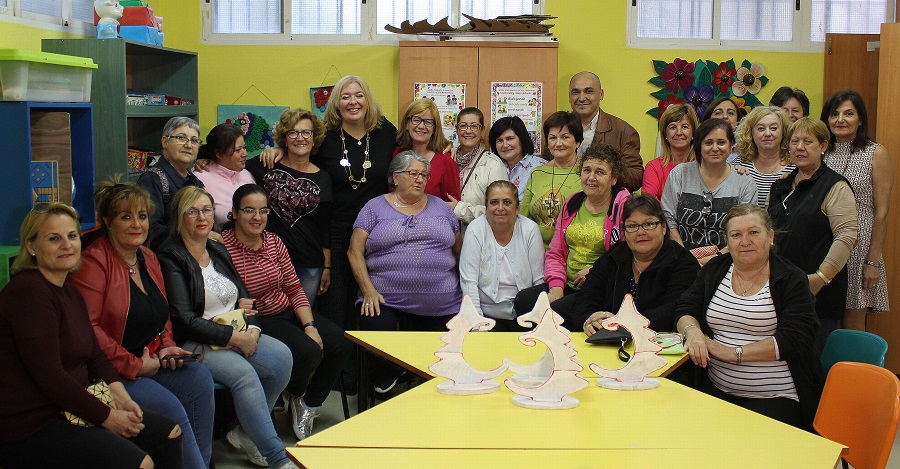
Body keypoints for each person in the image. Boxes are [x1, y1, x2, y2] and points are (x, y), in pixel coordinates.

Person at [0, 203, 183, 469]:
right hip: (34, 424)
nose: (66, 245)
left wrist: (122, 397)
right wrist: (107, 417)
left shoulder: (69, 292)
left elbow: (95, 355)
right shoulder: (28, 293)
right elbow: (51, 377)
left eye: (72, 236)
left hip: (73, 408)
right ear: (31, 247)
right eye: (54, 238)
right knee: (140, 463)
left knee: (168, 433)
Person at [69, 183, 216, 469]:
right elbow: (89, 331)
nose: (137, 224)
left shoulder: (147, 257)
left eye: (142, 216)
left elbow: (161, 315)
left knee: (199, 379)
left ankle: (202, 463)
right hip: (109, 372)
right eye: (126, 217)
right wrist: (135, 365)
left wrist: (166, 345)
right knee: (171, 408)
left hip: (148, 359)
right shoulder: (94, 262)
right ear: (108, 222)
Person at [156, 186, 296, 469]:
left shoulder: (217, 248)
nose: (201, 217)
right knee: (245, 375)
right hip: (194, 340)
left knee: (282, 357)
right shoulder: (171, 256)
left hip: (233, 331)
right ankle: (279, 459)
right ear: (179, 217)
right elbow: (184, 319)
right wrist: (235, 338)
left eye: (206, 210)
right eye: (192, 211)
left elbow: (244, 298)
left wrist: (253, 330)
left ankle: (247, 432)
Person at [675, 204, 823, 430]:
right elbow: (685, 307)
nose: (745, 241)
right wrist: (692, 332)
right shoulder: (715, 269)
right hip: (716, 389)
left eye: (754, 232)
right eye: (736, 235)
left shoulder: (792, 278)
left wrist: (733, 354)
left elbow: (797, 338)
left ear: (770, 236)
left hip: (776, 397)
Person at [222, 184, 352, 440]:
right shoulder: (222, 246)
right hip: (258, 319)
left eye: (263, 210)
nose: (257, 217)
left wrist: (310, 326)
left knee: (340, 342)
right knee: (309, 352)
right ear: (235, 213)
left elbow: (293, 287)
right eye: (249, 210)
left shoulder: (273, 241)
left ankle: (307, 403)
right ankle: (293, 390)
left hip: (285, 309)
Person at [348, 151, 462, 393]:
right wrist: (368, 291)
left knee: (443, 356)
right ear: (395, 177)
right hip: (385, 298)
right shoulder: (374, 207)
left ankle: (417, 376)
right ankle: (394, 369)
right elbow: (354, 252)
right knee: (376, 328)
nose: (420, 179)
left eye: (424, 175)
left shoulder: (441, 208)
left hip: (440, 301)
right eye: (413, 173)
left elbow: (459, 250)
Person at [514, 143, 631, 328]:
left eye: (600, 172)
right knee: (524, 301)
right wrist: (556, 288)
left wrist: (595, 271)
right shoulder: (572, 203)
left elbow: (626, 255)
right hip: (567, 284)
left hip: (601, 287)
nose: (591, 177)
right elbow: (555, 252)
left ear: (614, 178)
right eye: (586, 170)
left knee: (555, 313)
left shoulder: (624, 207)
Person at [768, 118, 858, 353]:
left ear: (823, 146)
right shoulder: (780, 185)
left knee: (810, 368)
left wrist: (820, 279)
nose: (800, 147)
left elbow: (847, 236)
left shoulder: (835, 186)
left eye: (808, 141)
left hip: (818, 297)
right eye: (795, 141)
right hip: (778, 293)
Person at [821, 90, 894, 330]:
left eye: (848, 114)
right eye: (834, 114)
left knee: (852, 320)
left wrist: (872, 262)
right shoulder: (821, 152)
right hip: (824, 244)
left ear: (860, 119)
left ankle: (853, 369)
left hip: (860, 248)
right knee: (824, 319)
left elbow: (881, 212)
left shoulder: (876, 153)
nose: (840, 119)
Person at [246, 108, 333, 306]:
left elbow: (324, 226)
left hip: (308, 263)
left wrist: (327, 266)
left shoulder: (324, 178)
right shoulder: (266, 164)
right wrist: (203, 161)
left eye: (306, 132)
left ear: (314, 138)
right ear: (284, 138)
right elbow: (230, 166)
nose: (299, 138)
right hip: (266, 261)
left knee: (301, 320)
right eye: (293, 132)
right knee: (268, 319)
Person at [578, 195, 700, 334]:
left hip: (660, 343)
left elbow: (672, 311)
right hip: (608, 341)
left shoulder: (683, 262)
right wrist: (590, 321)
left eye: (649, 224)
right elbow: (586, 297)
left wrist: (621, 322)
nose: (640, 232)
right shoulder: (615, 256)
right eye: (632, 226)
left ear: (664, 227)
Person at [662, 118, 757, 264]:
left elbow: (746, 229)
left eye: (721, 142)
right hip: (681, 261)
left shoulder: (744, 181)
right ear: (699, 145)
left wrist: (714, 259)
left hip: (728, 262)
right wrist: (686, 260)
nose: (715, 148)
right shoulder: (679, 174)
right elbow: (669, 220)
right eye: (708, 143)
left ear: (731, 145)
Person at [459, 181, 544, 331]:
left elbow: (539, 281)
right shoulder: (475, 230)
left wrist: (537, 324)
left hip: (525, 314)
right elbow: (469, 282)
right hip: (485, 316)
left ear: (517, 208)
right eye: (494, 202)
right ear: (486, 207)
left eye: (507, 202)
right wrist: (478, 325)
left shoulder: (530, 229)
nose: (500, 208)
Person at [137, 116, 205, 250]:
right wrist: (192, 234)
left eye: (194, 140)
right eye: (181, 138)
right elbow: (150, 229)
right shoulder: (152, 180)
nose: (189, 145)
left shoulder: (195, 180)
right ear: (165, 141)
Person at [568, 71, 643, 191]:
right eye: (576, 92)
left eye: (589, 91)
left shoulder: (624, 132)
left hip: (606, 205)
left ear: (601, 94)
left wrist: (605, 173)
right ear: (569, 97)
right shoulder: (558, 129)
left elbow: (636, 177)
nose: (581, 98)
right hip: (564, 202)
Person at [520, 111, 585, 247]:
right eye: (553, 137)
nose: (558, 143)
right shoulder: (538, 173)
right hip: (536, 251)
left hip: (573, 252)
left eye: (565, 137)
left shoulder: (586, 173)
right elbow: (523, 218)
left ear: (578, 141)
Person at [448, 107, 508, 225]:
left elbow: (500, 210)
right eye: (463, 126)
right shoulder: (448, 159)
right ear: (456, 129)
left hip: (479, 238)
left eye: (474, 126)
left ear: (482, 131)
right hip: (448, 236)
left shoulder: (493, 164)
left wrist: (459, 209)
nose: (468, 131)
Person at [395, 98, 460, 202]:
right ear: (407, 124)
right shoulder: (396, 154)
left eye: (428, 122)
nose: (421, 126)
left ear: (434, 128)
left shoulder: (446, 161)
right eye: (416, 119)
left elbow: (452, 206)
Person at [194, 123, 255, 231]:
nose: (244, 154)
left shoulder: (247, 174)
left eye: (244, 148)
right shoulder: (200, 179)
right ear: (219, 154)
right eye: (238, 150)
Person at [733, 106, 795, 207]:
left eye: (774, 128)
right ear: (750, 133)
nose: (767, 133)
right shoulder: (739, 164)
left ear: (783, 132)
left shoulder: (794, 167)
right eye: (761, 129)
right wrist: (733, 174)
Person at [642, 104, 698, 200]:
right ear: (665, 135)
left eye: (684, 127)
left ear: (693, 132)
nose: (679, 132)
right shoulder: (654, 167)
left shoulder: (703, 165)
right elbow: (648, 205)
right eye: (673, 127)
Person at [489, 115, 545, 202]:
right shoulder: (492, 167)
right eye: (500, 141)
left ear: (522, 139)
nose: (505, 145)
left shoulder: (541, 167)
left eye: (510, 139)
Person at [702, 97, 743, 163]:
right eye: (718, 113)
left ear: (737, 120)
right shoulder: (699, 146)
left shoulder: (747, 149)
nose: (725, 116)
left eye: (731, 113)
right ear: (708, 119)